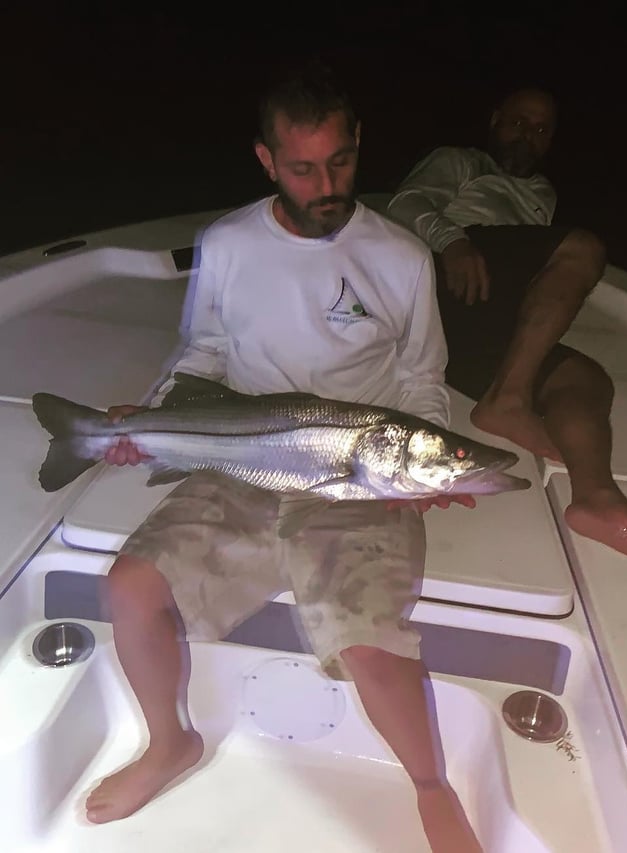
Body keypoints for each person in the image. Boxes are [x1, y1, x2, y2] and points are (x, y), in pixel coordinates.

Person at [84, 61, 483, 852]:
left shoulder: (401, 257)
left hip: (360, 463)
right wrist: (158, 415)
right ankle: (171, 741)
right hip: (246, 452)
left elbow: (422, 378)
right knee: (129, 585)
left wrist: (420, 461)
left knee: (368, 638)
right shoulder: (229, 242)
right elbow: (206, 350)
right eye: (302, 167)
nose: (324, 182)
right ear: (267, 160)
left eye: (339, 161)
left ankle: (432, 786)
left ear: (358, 145)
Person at [387, 86, 627, 562]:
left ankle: (595, 497)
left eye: (541, 129)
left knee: (586, 380)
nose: (528, 135)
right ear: (495, 120)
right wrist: (453, 243)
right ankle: (509, 398)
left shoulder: (544, 193)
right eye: (519, 122)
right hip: (450, 280)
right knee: (583, 248)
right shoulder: (460, 161)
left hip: (477, 330)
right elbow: (407, 203)